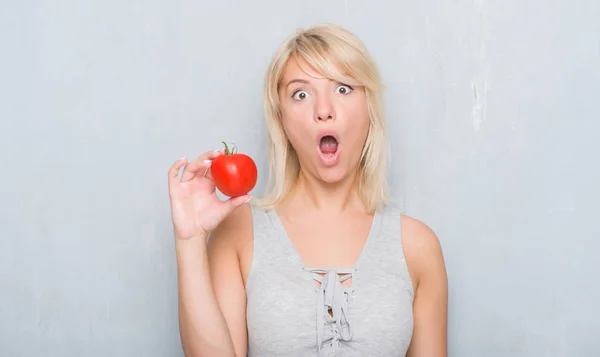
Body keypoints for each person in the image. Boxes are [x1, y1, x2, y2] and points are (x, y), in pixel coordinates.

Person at [167, 23, 448, 357]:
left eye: (343, 88)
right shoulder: (239, 234)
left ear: (370, 109)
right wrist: (189, 241)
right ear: (282, 121)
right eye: (301, 94)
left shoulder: (418, 245)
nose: (323, 110)